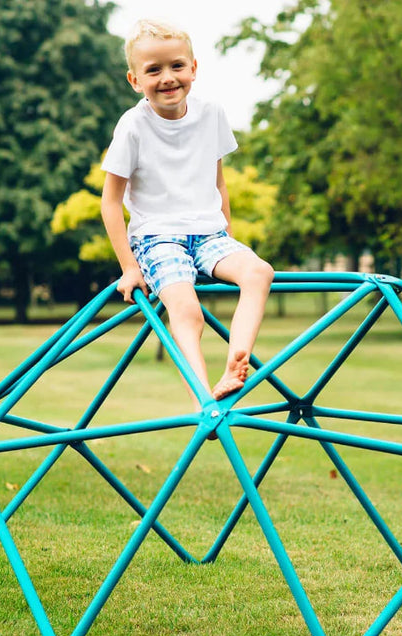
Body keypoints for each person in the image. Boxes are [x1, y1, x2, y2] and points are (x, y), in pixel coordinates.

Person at [100, 19, 274, 407]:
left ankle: (236, 363)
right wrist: (129, 267)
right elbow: (110, 202)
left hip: (210, 235)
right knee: (186, 309)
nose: (168, 78)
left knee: (259, 272)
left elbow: (219, 183)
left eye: (177, 66)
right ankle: (202, 399)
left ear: (194, 68)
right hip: (156, 238)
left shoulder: (210, 113)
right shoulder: (132, 126)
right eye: (154, 70)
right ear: (134, 80)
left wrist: (227, 235)